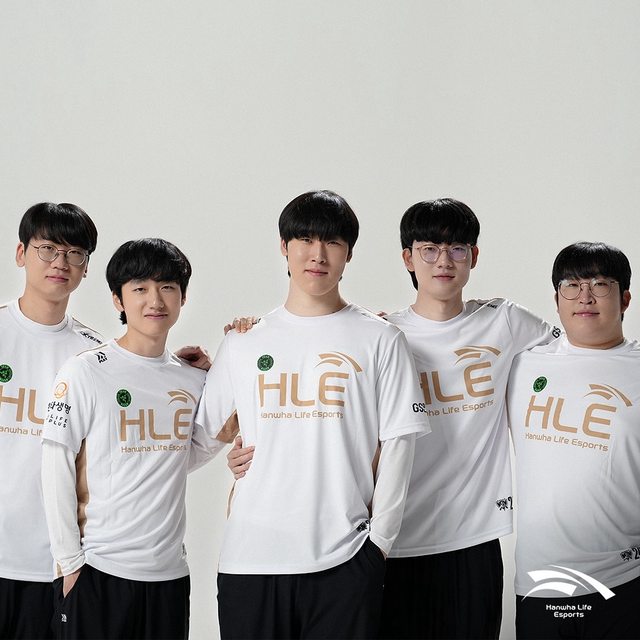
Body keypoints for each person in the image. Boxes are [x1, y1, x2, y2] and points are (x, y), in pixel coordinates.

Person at [228, 197, 557, 639]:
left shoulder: (505, 322)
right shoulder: (384, 333)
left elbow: (574, 348)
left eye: (457, 249)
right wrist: (248, 344)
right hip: (392, 542)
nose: (444, 261)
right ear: (408, 258)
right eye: (429, 249)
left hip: (473, 537)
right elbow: (303, 388)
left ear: (474, 256)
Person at [196, 190, 430, 639]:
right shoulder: (244, 341)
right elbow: (199, 439)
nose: (317, 254)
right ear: (284, 247)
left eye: (332, 242)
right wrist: (183, 373)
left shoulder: (381, 339)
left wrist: (378, 545)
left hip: (345, 560)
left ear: (349, 254)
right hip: (250, 560)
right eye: (305, 239)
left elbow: (400, 444)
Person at [41, 238, 230, 640]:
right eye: (140, 288)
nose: (155, 300)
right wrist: (69, 564)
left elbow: (184, 453)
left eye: (167, 287)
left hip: (169, 576)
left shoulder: (191, 378)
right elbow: (55, 466)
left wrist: (215, 377)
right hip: (99, 571)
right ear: (118, 299)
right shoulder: (86, 372)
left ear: (182, 297)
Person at [507, 241, 640, 639]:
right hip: (540, 584)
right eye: (572, 285)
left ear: (625, 298)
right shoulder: (522, 363)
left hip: (624, 579)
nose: (585, 296)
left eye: (600, 284)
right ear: (556, 299)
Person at [0, 202, 101, 640]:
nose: (61, 262)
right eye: (48, 249)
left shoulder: (95, 355)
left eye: (74, 253)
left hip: (56, 565)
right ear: (21, 253)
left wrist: (192, 372)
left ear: (85, 267)